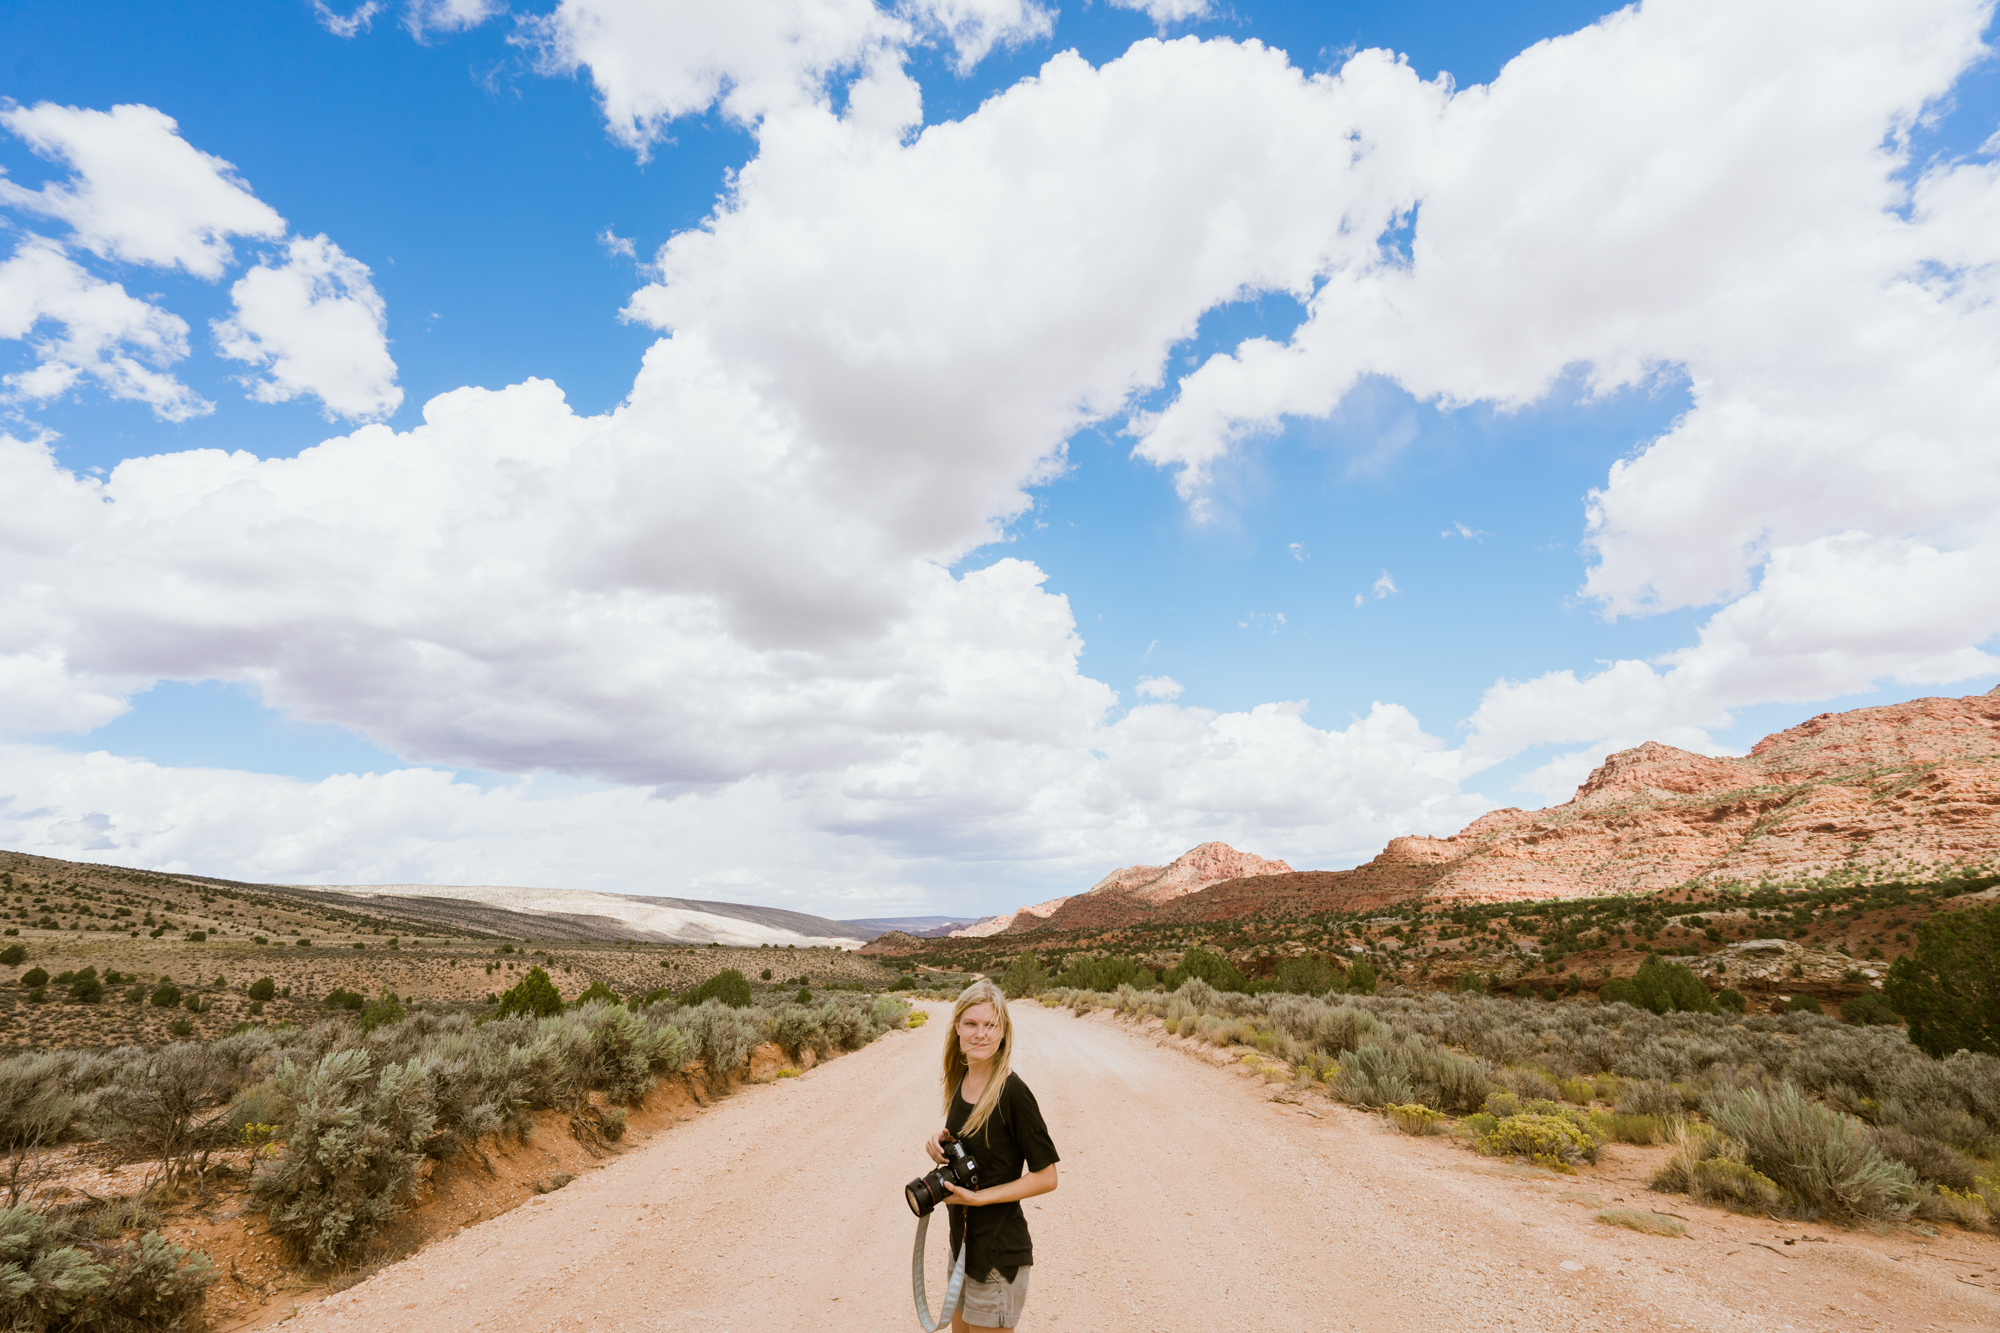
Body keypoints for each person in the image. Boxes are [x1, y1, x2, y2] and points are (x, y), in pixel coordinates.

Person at [923, 979, 1060, 1331]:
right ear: (957, 1028)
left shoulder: (1014, 1094)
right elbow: (977, 1148)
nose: (980, 1034)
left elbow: (1047, 1177)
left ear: (1003, 1032)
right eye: (971, 1024)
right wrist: (941, 1145)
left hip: (998, 1256)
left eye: (991, 1024)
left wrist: (980, 1199)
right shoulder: (962, 1080)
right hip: (963, 1246)